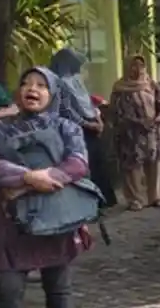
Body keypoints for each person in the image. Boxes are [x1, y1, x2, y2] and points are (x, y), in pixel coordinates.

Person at [0, 67, 98, 308]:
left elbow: (78, 164)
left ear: (52, 93)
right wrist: (28, 176)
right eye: (26, 83)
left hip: (56, 218)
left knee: (58, 287)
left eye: (41, 85)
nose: (32, 89)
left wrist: (38, 181)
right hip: (11, 223)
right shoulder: (0, 128)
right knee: (7, 289)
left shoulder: (67, 127)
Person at [50, 49, 116, 210]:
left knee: (99, 162)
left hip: (92, 125)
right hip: (76, 130)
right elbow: (67, 111)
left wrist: (98, 120)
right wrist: (87, 124)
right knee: (85, 164)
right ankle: (91, 202)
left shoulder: (76, 80)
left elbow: (88, 102)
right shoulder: (58, 83)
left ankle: (105, 199)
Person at [111, 55, 160, 210]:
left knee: (154, 163)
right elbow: (117, 111)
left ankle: (155, 197)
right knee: (132, 167)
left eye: (141, 65)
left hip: (153, 131)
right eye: (133, 65)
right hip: (131, 133)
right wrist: (138, 122)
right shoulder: (120, 87)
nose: (138, 69)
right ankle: (135, 199)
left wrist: (159, 117)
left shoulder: (150, 83)